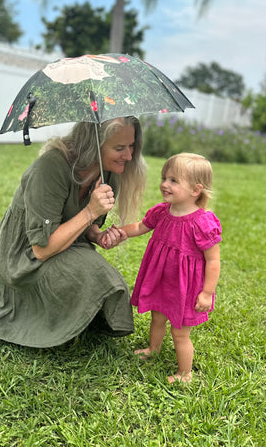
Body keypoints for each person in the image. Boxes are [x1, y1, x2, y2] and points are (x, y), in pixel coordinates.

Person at [0, 116, 147, 348]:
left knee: (107, 280)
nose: (128, 156)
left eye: (131, 146)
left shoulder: (107, 173)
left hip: (65, 245)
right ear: (93, 145)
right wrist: (89, 211)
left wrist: (97, 235)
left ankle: (68, 315)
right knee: (99, 277)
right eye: (119, 148)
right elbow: (41, 249)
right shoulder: (50, 168)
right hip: (24, 256)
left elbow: (86, 227)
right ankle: (37, 312)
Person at [107, 153, 221, 382]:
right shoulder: (162, 211)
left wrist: (207, 293)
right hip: (162, 279)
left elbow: (213, 260)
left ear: (195, 190)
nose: (164, 184)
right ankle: (153, 349)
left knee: (180, 333)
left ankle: (185, 374)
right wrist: (122, 233)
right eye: (164, 178)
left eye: (174, 180)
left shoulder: (202, 222)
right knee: (157, 317)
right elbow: (140, 226)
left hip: (185, 287)